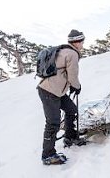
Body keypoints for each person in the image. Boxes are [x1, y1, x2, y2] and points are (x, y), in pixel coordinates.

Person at [37, 29, 86, 165]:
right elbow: (73, 75)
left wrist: (71, 86)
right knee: (53, 123)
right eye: (82, 41)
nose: (82, 44)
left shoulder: (63, 50)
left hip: (56, 91)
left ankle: (69, 136)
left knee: (71, 110)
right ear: (77, 42)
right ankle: (48, 155)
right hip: (49, 92)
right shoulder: (72, 54)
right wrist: (76, 86)